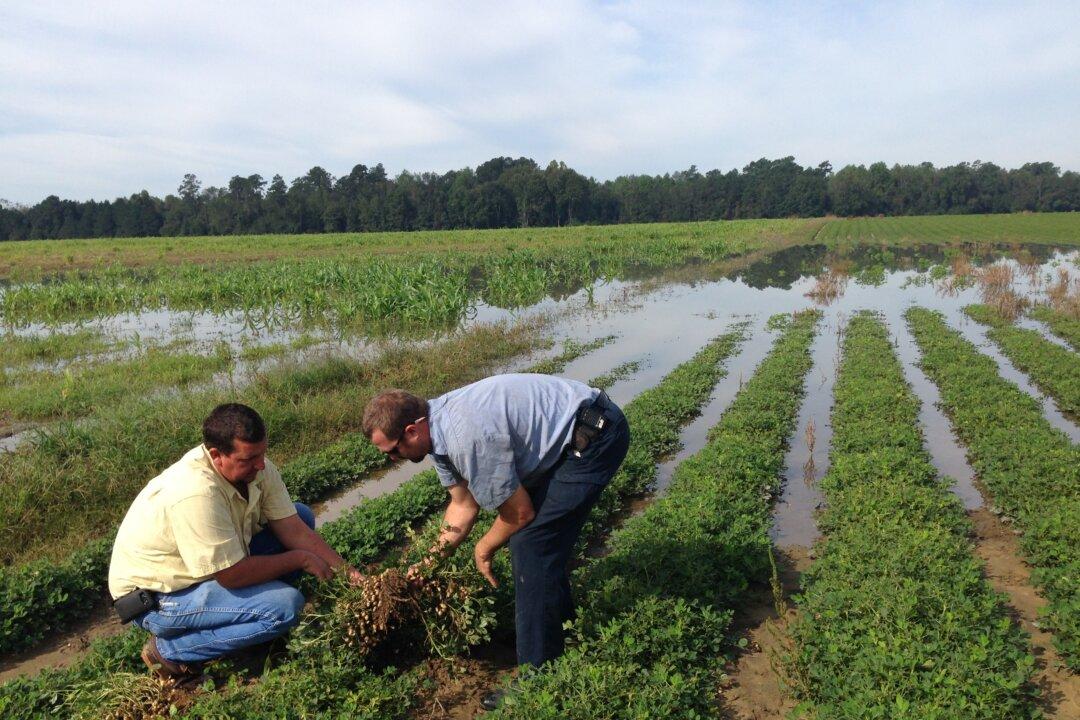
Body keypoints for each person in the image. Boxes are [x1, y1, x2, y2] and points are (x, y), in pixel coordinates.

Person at [362, 374, 630, 709]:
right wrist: (425, 564)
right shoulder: (439, 434)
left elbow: (519, 514)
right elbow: (462, 505)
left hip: (596, 436)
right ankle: (558, 625)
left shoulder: (463, 436)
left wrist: (483, 547)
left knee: (530, 543)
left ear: (412, 431)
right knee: (537, 543)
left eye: (393, 449)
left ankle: (539, 674)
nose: (393, 458)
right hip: (573, 436)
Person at [108, 403, 362, 683]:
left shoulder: (258, 468)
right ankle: (170, 651)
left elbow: (293, 529)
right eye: (249, 458)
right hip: (160, 599)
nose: (261, 464)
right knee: (286, 606)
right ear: (217, 455)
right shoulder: (195, 493)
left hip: (205, 570)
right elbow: (231, 575)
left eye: (262, 453)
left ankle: (253, 623)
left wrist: (348, 572)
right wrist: (300, 559)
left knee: (300, 515)